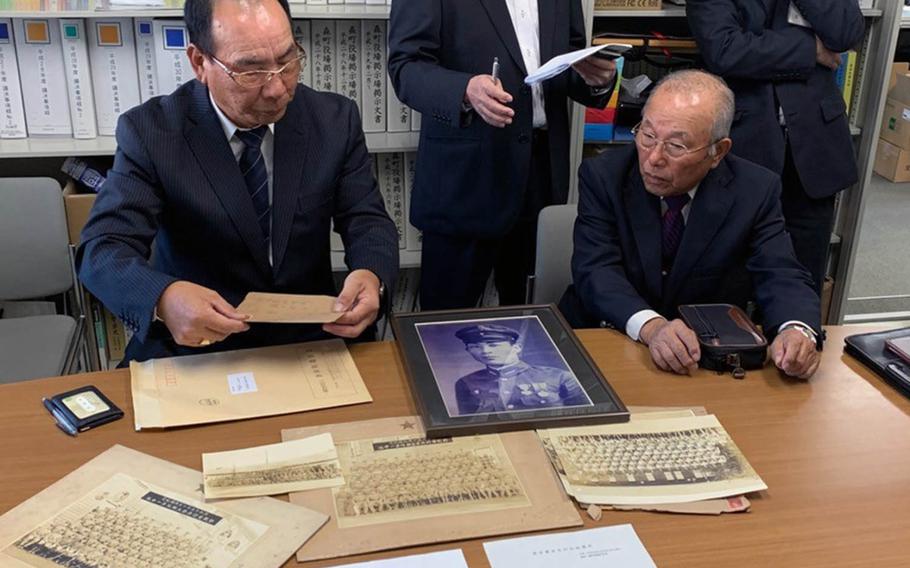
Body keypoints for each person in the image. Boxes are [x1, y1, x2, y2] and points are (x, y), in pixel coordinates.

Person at [77, 0, 399, 362]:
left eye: (288, 61)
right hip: (198, 346)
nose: (277, 88)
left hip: (311, 340)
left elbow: (367, 220)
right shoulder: (153, 133)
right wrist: (164, 299)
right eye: (252, 71)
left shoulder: (333, 120)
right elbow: (103, 249)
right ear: (200, 62)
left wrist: (373, 276)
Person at [559, 70, 823, 379]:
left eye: (676, 146)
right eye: (647, 135)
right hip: (607, 339)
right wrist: (652, 326)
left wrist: (797, 329)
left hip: (705, 359)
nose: (653, 158)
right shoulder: (604, 176)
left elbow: (781, 272)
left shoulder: (755, 190)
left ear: (718, 152)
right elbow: (596, 270)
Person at [388, 0, 618, 310]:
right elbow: (406, 67)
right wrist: (465, 90)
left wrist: (599, 80)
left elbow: (571, 58)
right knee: (444, 328)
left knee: (533, 322)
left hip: (542, 175)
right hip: (467, 179)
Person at [686, 0, 865, 295]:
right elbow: (725, 48)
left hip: (814, 148)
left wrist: (770, 48)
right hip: (742, 144)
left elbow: (845, 33)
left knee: (803, 284)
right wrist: (810, 50)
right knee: (730, 283)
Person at [452, 323, 589, 415]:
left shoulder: (559, 376)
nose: (485, 351)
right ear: (468, 350)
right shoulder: (466, 383)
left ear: (516, 348)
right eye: (475, 346)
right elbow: (470, 423)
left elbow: (583, 415)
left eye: (493, 345)